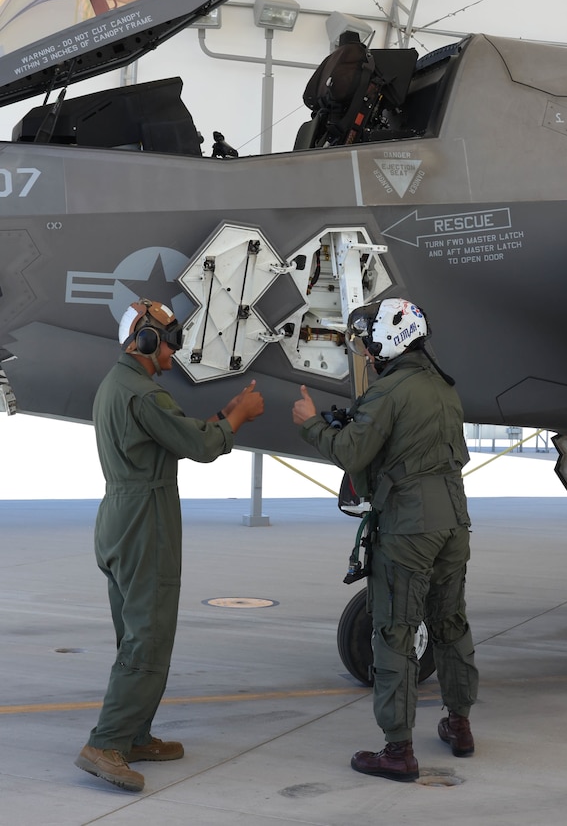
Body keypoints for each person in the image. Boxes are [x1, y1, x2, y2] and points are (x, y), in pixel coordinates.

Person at [75, 298, 264, 792]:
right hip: (145, 523)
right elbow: (200, 446)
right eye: (170, 340)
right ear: (145, 340)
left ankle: (135, 734)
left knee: (133, 632)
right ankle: (107, 743)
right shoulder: (143, 395)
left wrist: (223, 414)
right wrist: (239, 416)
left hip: (119, 516)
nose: (175, 350)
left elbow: (183, 432)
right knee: (148, 637)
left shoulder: (118, 385)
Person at [292, 297, 478, 782]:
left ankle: (398, 751)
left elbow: (353, 451)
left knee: (395, 630)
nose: (367, 352)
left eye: (369, 341)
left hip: (410, 527)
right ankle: (460, 724)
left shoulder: (389, 392)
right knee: (450, 621)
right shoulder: (444, 388)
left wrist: (311, 424)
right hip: (454, 522)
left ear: (389, 340)